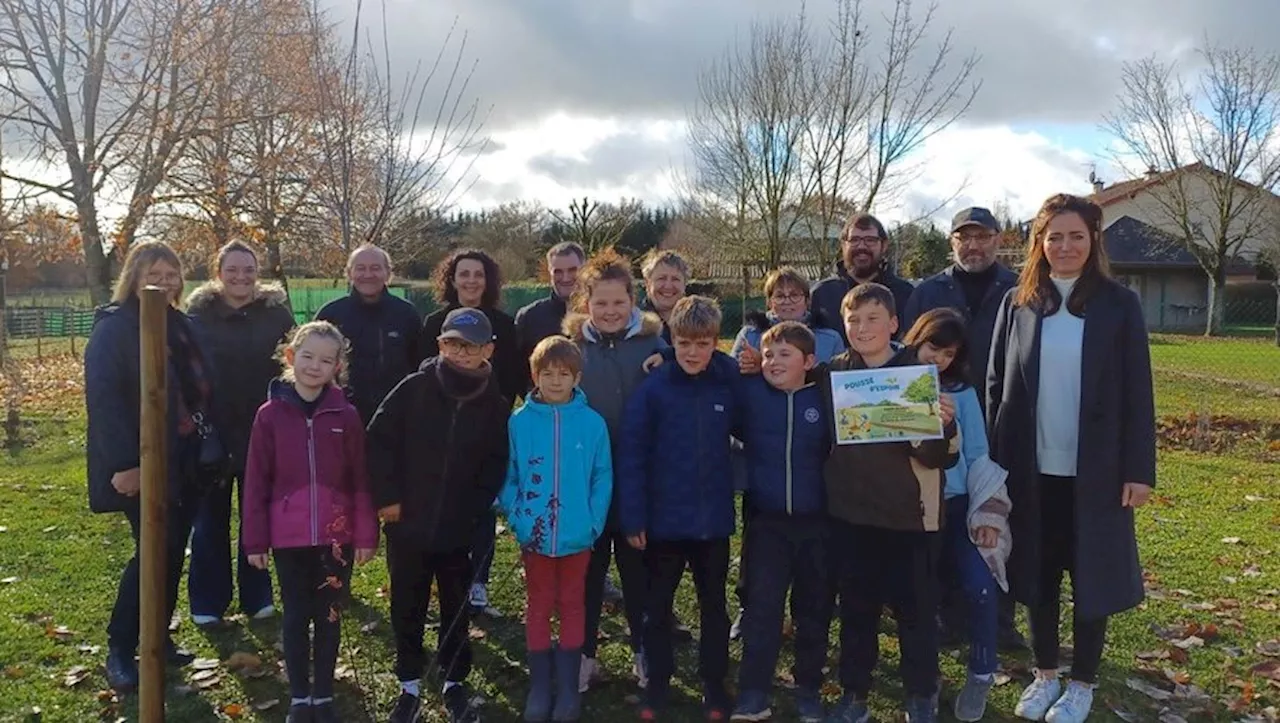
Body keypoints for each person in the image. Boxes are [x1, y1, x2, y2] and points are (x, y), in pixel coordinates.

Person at [988, 194, 1156, 723]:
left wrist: (1138, 471)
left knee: (1092, 579)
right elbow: (997, 386)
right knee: (1037, 575)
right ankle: (1044, 676)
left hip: (1098, 474)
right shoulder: (1018, 301)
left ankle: (1081, 682)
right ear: (1039, 242)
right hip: (1031, 471)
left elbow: (1138, 393)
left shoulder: (1118, 304)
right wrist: (993, 469)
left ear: (1093, 240)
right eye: (1053, 236)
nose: (1064, 246)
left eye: (1075, 236)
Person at [820, 283, 958, 723]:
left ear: (894, 324)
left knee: (915, 615)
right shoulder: (833, 373)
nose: (862, 328)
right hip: (852, 517)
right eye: (853, 319)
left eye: (873, 318)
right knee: (857, 612)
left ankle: (920, 696)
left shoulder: (916, 374)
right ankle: (854, 694)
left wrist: (942, 427)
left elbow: (938, 460)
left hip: (910, 520)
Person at [367, 308, 511, 723]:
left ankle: (454, 679)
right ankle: (409, 681)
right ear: (440, 345)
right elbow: (379, 440)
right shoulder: (414, 387)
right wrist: (388, 496)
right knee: (406, 602)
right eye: (452, 344)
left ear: (489, 350)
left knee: (456, 605)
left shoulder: (494, 404)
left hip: (458, 527)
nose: (460, 353)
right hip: (407, 521)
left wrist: (474, 507)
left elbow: (495, 463)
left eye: (470, 346)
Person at [899, 206, 1025, 653]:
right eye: (963, 237)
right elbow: (906, 353)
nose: (973, 246)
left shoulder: (1018, 287)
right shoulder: (929, 289)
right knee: (942, 513)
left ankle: (1000, 617)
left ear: (998, 240)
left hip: (1006, 408)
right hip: (936, 415)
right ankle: (945, 615)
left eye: (983, 237)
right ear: (952, 241)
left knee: (995, 507)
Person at [85, 241, 210, 691]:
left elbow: (198, 387)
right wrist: (125, 463)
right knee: (151, 555)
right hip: (141, 463)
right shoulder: (115, 329)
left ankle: (156, 638)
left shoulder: (183, 324)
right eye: (154, 271)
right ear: (134, 277)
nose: (164, 279)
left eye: (172, 272)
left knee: (172, 551)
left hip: (184, 461)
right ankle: (120, 648)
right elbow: (104, 401)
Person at [241, 321, 378, 723]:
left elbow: (360, 479)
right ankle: (299, 695)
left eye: (325, 360)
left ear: (337, 367)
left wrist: (366, 533)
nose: (315, 366)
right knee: (297, 615)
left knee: (330, 615)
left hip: (336, 539)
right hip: (289, 538)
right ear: (290, 358)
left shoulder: (346, 415)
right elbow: (255, 481)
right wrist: (254, 541)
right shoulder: (268, 416)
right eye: (307, 357)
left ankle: (323, 694)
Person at [618, 295, 738, 721]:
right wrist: (633, 516)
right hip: (662, 522)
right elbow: (632, 455)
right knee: (656, 609)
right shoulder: (653, 389)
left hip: (712, 522)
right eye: (683, 343)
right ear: (672, 340)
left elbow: (752, 415)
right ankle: (658, 684)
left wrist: (744, 362)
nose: (692, 353)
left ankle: (713, 682)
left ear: (715, 344)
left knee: (714, 607)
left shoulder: (727, 381)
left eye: (702, 344)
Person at [563, 249, 667, 694]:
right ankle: (584, 655)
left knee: (637, 572)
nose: (609, 311)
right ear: (586, 304)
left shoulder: (654, 346)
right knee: (587, 573)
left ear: (632, 302)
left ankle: (644, 651)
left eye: (618, 303)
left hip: (637, 482)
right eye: (600, 303)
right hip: (584, 483)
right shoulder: (570, 350)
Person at [498, 336, 613, 723]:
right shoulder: (520, 422)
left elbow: (602, 476)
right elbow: (509, 475)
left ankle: (567, 688)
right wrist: (519, 517)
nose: (556, 382)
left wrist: (593, 522)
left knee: (572, 604)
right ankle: (540, 685)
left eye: (564, 374)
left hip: (578, 536)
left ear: (577, 377)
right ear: (535, 375)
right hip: (536, 538)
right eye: (548, 374)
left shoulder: (592, 424)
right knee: (539, 605)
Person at [904, 309, 1011, 723]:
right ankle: (924, 686)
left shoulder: (962, 393)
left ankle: (981, 673)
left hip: (957, 504)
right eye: (933, 347)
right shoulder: (893, 379)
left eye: (948, 353)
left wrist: (989, 513)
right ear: (917, 339)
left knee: (980, 586)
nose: (938, 360)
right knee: (918, 598)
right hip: (908, 509)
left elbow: (978, 454)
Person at [727, 266, 844, 641]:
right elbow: (735, 379)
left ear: (807, 301)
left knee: (813, 547)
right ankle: (752, 608)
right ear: (769, 301)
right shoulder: (750, 334)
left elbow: (840, 381)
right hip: (763, 454)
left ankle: (807, 614)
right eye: (780, 295)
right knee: (757, 540)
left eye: (795, 295)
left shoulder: (828, 337)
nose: (788, 301)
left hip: (811, 451)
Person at [186, 240, 295, 627]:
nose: (241, 277)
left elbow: (291, 366)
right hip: (210, 430)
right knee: (209, 520)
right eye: (232, 269)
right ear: (218, 273)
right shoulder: (198, 315)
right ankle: (208, 601)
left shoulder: (275, 314)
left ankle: (257, 595)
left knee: (259, 517)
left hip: (263, 429)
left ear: (257, 273)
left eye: (248, 269)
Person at [729, 322, 832, 723]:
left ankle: (808, 687)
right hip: (767, 523)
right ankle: (754, 692)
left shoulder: (824, 397)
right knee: (762, 609)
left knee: (813, 610)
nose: (773, 362)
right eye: (769, 354)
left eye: (785, 355)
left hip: (818, 524)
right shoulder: (752, 395)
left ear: (809, 362)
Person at [421, 249, 524, 613]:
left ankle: (479, 580)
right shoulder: (434, 322)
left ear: (488, 280)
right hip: (442, 431)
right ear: (452, 279)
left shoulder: (505, 324)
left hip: (486, 427)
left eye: (477, 275)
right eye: (463, 274)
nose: (470, 281)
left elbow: (513, 377)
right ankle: (445, 580)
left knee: (482, 503)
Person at [314, 245, 421, 424]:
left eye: (376, 268)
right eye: (360, 268)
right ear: (349, 273)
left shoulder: (406, 314)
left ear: (388, 273)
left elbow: (418, 366)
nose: (368, 275)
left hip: (396, 417)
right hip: (339, 416)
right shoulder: (330, 314)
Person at [811, 212, 916, 346]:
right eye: (854, 240)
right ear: (843, 245)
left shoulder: (906, 293)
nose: (861, 246)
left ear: (884, 245)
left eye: (870, 240)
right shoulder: (821, 294)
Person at [516, 242, 586, 364]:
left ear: (584, 269)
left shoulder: (600, 314)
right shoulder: (529, 317)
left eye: (572, 270)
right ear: (550, 273)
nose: (565, 278)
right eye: (558, 271)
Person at [639, 249, 690, 344]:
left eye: (675, 279)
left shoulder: (696, 323)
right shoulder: (633, 324)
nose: (668, 286)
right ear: (647, 283)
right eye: (661, 278)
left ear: (685, 284)